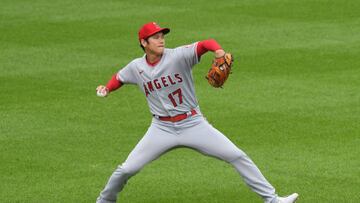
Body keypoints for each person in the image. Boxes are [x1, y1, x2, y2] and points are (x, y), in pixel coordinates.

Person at [95, 22, 298, 203]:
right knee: (127, 169)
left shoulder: (178, 56)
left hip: (193, 124)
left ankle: (272, 200)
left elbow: (205, 43)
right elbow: (120, 77)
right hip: (161, 128)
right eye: (155, 37)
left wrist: (218, 51)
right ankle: (105, 200)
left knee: (236, 155)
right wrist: (107, 88)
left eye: (162, 36)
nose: (161, 40)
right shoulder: (136, 67)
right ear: (144, 42)